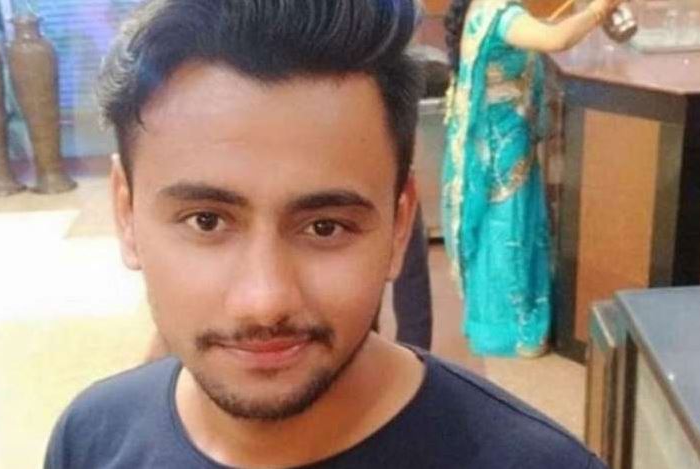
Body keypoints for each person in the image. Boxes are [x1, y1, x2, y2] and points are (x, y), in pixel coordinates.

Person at [45, 1, 607, 468]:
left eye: (325, 226)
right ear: (126, 214)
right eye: (206, 221)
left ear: (400, 226)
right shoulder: (91, 440)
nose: (265, 301)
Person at [441, 0, 622, 357]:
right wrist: (599, 9)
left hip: (491, 141)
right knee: (510, 229)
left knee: (497, 230)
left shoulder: (485, 9)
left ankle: (494, 323)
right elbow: (556, 40)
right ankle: (518, 329)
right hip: (503, 145)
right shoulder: (504, 17)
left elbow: (543, 34)